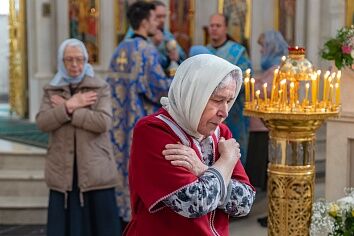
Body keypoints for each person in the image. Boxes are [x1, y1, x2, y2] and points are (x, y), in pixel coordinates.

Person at [125, 54, 256, 235]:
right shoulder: (153, 131)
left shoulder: (221, 133)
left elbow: (245, 202)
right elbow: (194, 203)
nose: (224, 112)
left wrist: (202, 169)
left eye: (228, 101)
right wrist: (225, 163)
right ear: (194, 94)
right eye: (218, 100)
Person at [36, 38, 121, 236]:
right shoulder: (51, 89)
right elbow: (42, 122)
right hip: (63, 170)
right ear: (61, 62)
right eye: (69, 60)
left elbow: (103, 123)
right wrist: (69, 105)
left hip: (95, 169)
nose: (75, 65)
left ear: (86, 60)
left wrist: (71, 110)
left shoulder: (100, 87)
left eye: (79, 59)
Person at [106, 1, 173, 231]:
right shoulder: (146, 50)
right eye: (155, 19)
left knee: (121, 168)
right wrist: (178, 78)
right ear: (145, 22)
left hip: (117, 125)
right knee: (138, 171)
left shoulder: (120, 49)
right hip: (138, 123)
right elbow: (158, 88)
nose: (158, 23)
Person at [244, 30, 288, 228]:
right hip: (259, 126)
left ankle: (276, 213)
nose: (261, 50)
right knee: (266, 174)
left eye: (263, 45)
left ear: (272, 46)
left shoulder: (280, 68)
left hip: (268, 128)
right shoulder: (270, 67)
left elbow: (269, 93)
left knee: (271, 173)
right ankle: (271, 211)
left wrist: (255, 84)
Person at [207, 13, 253, 166]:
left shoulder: (237, 51)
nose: (214, 29)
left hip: (233, 113)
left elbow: (245, 78)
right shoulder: (204, 51)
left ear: (225, 28)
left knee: (234, 153)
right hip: (207, 113)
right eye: (212, 25)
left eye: (218, 26)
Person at [125, 0, 186, 70]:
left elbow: (181, 56)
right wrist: (154, 44)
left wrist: (176, 56)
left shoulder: (166, 34)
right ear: (146, 19)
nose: (162, 20)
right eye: (158, 17)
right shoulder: (135, 34)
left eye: (164, 16)